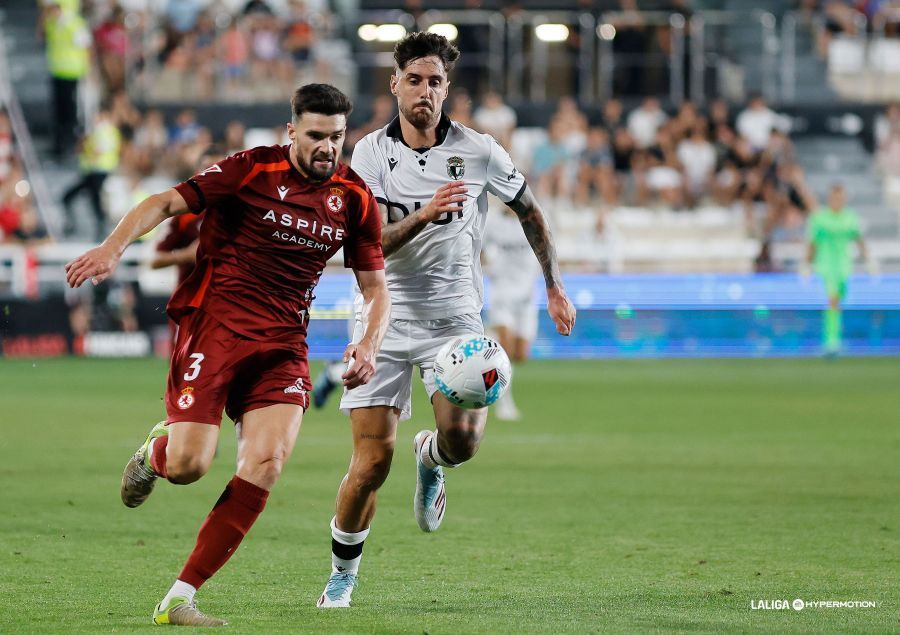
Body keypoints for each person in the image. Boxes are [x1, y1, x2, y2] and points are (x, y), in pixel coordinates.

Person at [64, 84, 390, 626]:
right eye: (315, 136)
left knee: (266, 462)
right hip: (215, 327)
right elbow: (166, 201)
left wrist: (368, 344)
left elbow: (377, 288)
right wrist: (112, 247)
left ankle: (179, 598)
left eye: (336, 137)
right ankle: (156, 453)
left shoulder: (353, 199)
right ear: (292, 132)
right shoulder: (251, 170)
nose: (327, 147)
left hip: (284, 345)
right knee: (191, 465)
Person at [317, 32, 576, 608]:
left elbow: (530, 212)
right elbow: (366, 246)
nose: (425, 91)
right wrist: (428, 215)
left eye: (435, 81)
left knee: (464, 444)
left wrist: (555, 285)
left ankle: (431, 456)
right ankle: (342, 576)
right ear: (395, 84)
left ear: (446, 88)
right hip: (382, 313)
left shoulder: (480, 150)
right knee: (369, 462)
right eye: (415, 80)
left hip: (455, 318)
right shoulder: (366, 155)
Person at [150, 145, 226, 345]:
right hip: (190, 306)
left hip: (230, 309)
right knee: (184, 373)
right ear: (197, 173)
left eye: (219, 169)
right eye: (207, 169)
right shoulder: (184, 214)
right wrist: (186, 255)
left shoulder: (244, 213)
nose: (213, 175)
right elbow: (154, 260)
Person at [483, 206, 541, 421]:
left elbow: (545, 245)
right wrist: (487, 266)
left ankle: (489, 337)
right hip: (502, 294)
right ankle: (503, 403)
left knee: (520, 355)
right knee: (504, 353)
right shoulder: (493, 222)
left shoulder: (532, 217)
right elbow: (477, 246)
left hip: (526, 297)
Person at [805, 183, 868, 356]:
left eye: (840, 197)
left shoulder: (850, 217)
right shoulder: (820, 218)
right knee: (832, 300)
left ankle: (834, 338)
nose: (837, 201)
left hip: (844, 266)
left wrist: (868, 260)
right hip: (825, 265)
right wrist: (807, 264)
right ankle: (831, 342)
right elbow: (813, 243)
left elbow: (858, 239)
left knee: (838, 302)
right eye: (834, 197)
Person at [61, 108, 122, 240]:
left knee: (94, 201)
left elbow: (97, 151)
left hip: (100, 172)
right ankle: (80, 227)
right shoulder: (98, 132)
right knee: (79, 199)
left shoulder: (105, 130)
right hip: (91, 173)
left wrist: (86, 146)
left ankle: (100, 231)